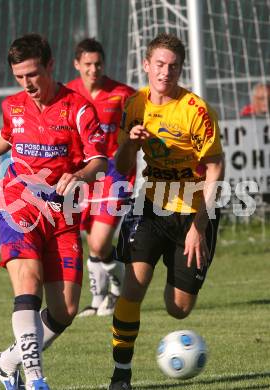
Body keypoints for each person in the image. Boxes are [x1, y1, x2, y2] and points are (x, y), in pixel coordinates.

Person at [0, 33, 107, 390]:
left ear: (50, 65)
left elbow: (99, 160)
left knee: (65, 311)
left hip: (62, 218)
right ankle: (35, 380)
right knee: (28, 285)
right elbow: (7, 136)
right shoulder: (13, 106)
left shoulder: (79, 108)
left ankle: (6, 362)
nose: (27, 83)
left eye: (33, 74)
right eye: (20, 77)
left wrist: (79, 174)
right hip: (18, 207)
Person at [108, 33, 225, 390]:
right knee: (133, 287)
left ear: (180, 69)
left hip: (193, 212)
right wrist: (130, 141)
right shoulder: (134, 105)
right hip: (151, 206)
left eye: (173, 66)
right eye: (159, 64)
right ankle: (121, 375)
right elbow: (121, 162)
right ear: (146, 65)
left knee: (178, 309)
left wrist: (198, 227)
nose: (165, 72)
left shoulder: (196, 110)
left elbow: (216, 168)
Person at [66, 38, 136, 317]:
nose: (93, 70)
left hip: (115, 173)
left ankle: (120, 284)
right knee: (91, 239)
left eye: (98, 64)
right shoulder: (68, 93)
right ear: (77, 65)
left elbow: (141, 122)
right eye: (87, 65)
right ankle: (98, 302)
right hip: (83, 175)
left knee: (99, 242)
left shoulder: (122, 94)